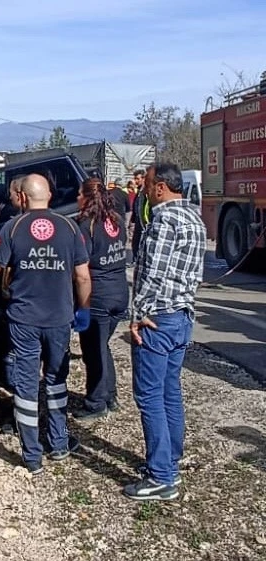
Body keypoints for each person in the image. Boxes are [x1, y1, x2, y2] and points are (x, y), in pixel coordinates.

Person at [0, 174, 92, 474]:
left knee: (27, 386)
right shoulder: (71, 228)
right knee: (57, 381)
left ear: (22, 198)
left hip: (23, 321)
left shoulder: (13, 227)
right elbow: (83, 276)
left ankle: (32, 456)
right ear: (48, 195)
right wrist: (82, 310)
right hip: (60, 319)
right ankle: (58, 443)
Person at [124, 162, 206, 501]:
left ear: (160, 188)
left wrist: (138, 314)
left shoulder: (164, 220)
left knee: (149, 395)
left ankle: (162, 476)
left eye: (147, 183)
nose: (142, 188)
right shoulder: (194, 218)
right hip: (182, 316)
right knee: (170, 389)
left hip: (157, 318)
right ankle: (170, 457)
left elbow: (152, 274)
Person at [72, 178, 129, 420]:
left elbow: (81, 269)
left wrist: (82, 306)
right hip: (120, 292)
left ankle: (96, 402)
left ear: (87, 197)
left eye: (78, 194)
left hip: (99, 295)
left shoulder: (86, 226)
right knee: (102, 346)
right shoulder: (116, 221)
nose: (76, 198)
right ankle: (110, 395)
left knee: (93, 349)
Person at [129, 169, 149, 263]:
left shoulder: (146, 192)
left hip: (144, 222)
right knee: (135, 242)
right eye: (135, 179)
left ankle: (139, 261)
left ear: (143, 179)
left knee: (141, 243)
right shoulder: (139, 191)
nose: (136, 181)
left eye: (137, 179)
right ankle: (135, 260)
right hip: (138, 221)